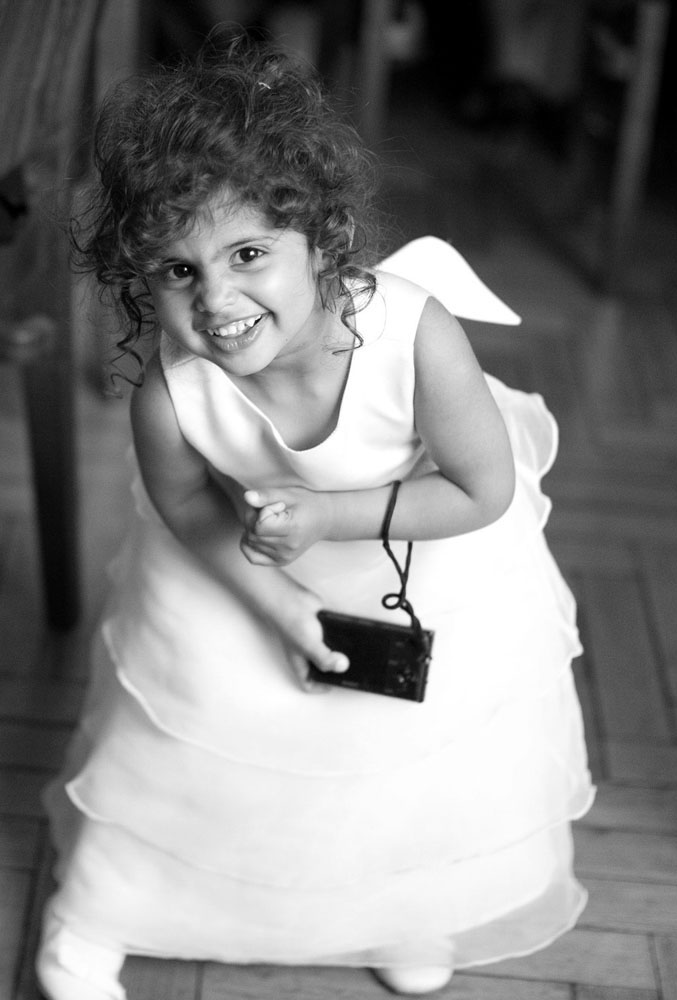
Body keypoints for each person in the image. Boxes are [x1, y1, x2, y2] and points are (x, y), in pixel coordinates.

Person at [36, 37, 594, 1000]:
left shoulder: (415, 333)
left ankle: (399, 904)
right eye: (176, 272)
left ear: (326, 238)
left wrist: (330, 517)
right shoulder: (171, 398)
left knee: (403, 760)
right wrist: (276, 604)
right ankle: (98, 908)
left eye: (248, 254)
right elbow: (179, 505)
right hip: (233, 566)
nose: (216, 300)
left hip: (418, 556)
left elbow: (481, 492)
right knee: (193, 739)